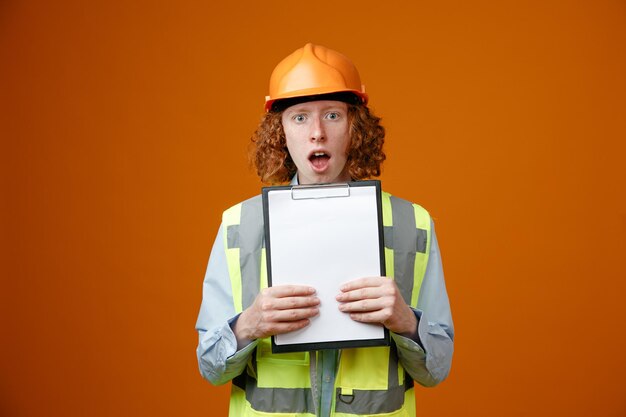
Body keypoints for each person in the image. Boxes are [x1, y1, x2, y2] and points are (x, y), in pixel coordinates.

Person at [196, 43, 454, 417]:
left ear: (355, 128)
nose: (317, 133)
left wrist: (406, 321)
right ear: (280, 132)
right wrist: (247, 326)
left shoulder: (411, 223)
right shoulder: (239, 225)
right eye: (300, 118)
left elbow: (437, 370)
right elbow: (211, 368)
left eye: (332, 115)